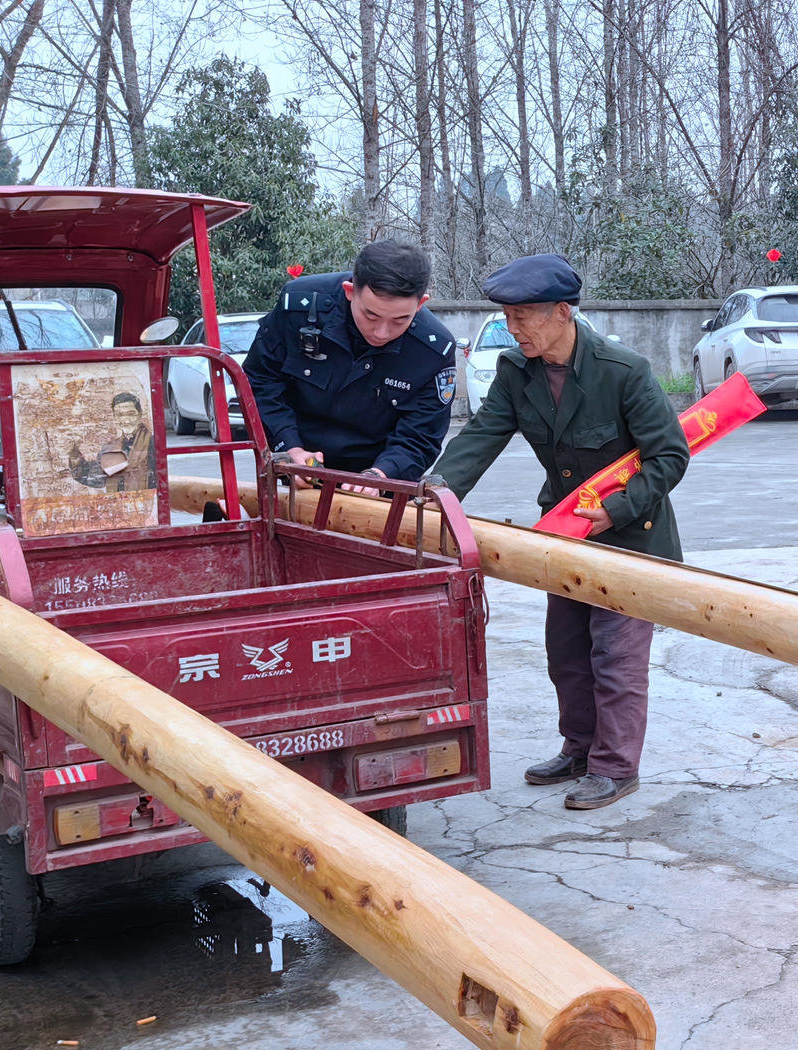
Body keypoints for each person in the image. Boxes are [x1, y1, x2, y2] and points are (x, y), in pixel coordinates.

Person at [421, 254, 690, 811]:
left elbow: (669, 456)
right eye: (508, 317)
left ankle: (616, 768)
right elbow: (480, 439)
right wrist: (434, 495)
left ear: (563, 313)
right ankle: (580, 750)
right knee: (566, 653)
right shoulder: (516, 373)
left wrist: (618, 509)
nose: (512, 328)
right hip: (566, 533)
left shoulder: (623, 371)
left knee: (614, 657)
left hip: (631, 538)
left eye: (523, 316)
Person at [245, 239, 457, 485]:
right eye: (371, 315)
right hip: (297, 464)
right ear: (349, 291)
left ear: (421, 304)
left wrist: (381, 475)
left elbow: (421, 434)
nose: (381, 333)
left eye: (400, 320)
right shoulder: (299, 309)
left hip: (380, 479)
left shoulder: (433, 350)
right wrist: (289, 449)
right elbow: (260, 382)